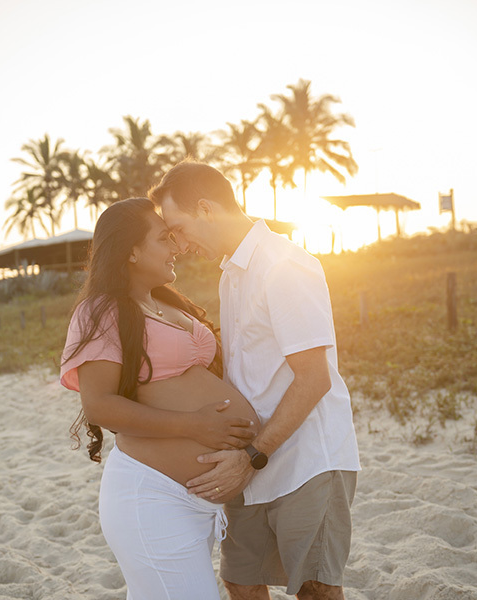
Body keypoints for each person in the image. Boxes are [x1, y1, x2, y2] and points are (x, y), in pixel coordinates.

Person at [148, 161, 361, 600]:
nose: (181, 244)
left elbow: (314, 379)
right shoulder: (231, 276)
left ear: (206, 209)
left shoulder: (285, 265)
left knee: (315, 588)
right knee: (241, 581)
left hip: (306, 461)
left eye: (179, 228)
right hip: (253, 462)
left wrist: (251, 456)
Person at [59, 197, 261, 600]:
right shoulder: (101, 311)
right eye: (164, 238)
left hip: (197, 502)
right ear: (132, 250)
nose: (177, 247)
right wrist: (195, 425)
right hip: (151, 496)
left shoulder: (168, 301)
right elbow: (98, 405)